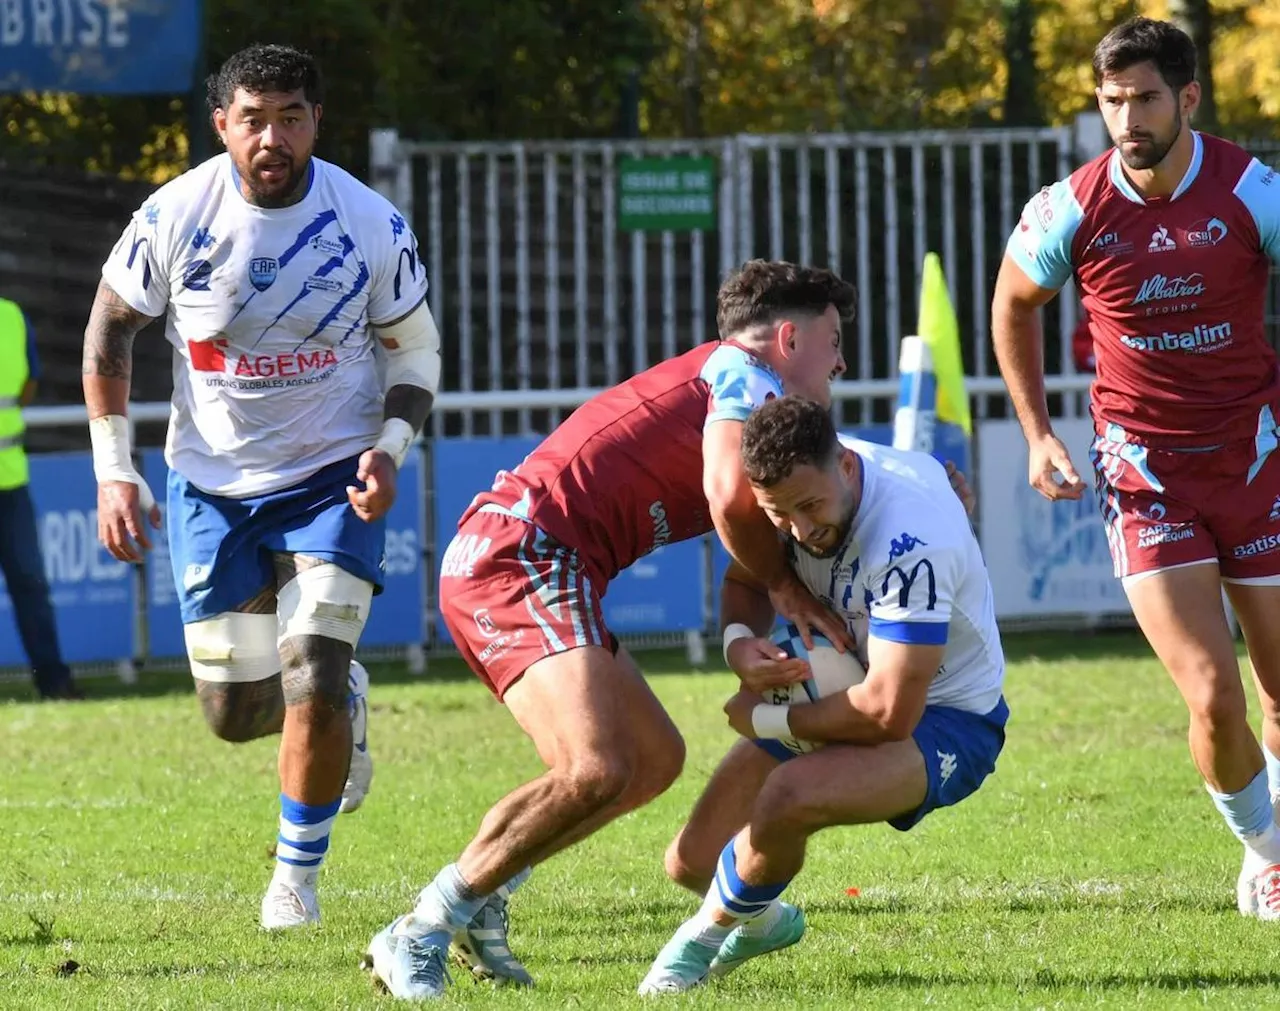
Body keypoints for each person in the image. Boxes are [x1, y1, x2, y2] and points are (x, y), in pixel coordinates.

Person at [362, 260, 857, 1000]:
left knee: (652, 758)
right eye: (834, 339)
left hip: (547, 559)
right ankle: (422, 925)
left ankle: (482, 894)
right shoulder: (745, 376)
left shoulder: (751, 399)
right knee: (595, 766)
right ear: (788, 336)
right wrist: (788, 591)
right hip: (522, 552)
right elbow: (728, 498)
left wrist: (739, 640)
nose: (842, 361)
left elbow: (750, 541)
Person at [80, 43, 438, 929]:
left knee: (312, 663)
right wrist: (114, 470)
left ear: (317, 121)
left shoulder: (368, 221)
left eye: (289, 116)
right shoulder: (173, 214)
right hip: (210, 482)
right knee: (234, 711)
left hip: (334, 473)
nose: (270, 135)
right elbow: (109, 334)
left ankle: (295, 879)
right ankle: (343, 701)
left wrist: (390, 447)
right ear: (222, 126)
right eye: (252, 118)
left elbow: (417, 350)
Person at [992, 16, 1280, 921]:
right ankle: (1266, 852)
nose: (1127, 118)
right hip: (1144, 473)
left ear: (1188, 97)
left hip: (1255, 461)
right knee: (1211, 691)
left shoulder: (1252, 190)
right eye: (1111, 100)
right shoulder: (1071, 207)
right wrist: (1038, 433)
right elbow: (1012, 303)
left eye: (1145, 98)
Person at [636, 394, 1007, 993]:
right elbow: (744, 578)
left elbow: (888, 711)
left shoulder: (910, 540)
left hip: (949, 720)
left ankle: (697, 944)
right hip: (851, 687)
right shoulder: (787, 490)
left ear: (848, 469)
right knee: (693, 860)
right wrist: (737, 645)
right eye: (780, 515)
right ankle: (761, 920)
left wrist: (764, 720)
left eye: (811, 507)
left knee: (788, 797)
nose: (802, 530)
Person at [0, 297, 82, 701]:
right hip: (12, 483)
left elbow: (28, 382)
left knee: (31, 587)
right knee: (30, 588)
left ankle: (54, 683)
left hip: (11, 483)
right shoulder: (13, 314)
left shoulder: (13, 315)